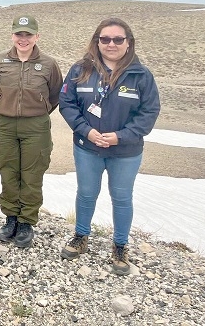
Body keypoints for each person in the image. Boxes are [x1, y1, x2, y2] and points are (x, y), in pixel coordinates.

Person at [59, 18, 160, 275]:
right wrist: (87, 132)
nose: (111, 44)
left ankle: (120, 246)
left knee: (122, 197)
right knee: (86, 193)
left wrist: (121, 136)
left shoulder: (141, 75)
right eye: (105, 39)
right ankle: (81, 236)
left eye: (118, 39)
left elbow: (149, 112)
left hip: (125, 151)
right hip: (87, 147)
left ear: (128, 43)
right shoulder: (80, 70)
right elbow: (67, 103)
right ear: (97, 41)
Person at [0, 15, 62, 247]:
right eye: (19, 34)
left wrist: (39, 107)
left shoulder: (49, 64)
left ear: (36, 36)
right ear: (12, 35)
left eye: (28, 34)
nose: (23, 39)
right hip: (4, 124)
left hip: (35, 126)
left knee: (32, 174)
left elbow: (55, 93)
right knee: (8, 171)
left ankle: (26, 221)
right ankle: (10, 219)